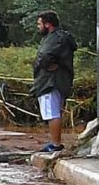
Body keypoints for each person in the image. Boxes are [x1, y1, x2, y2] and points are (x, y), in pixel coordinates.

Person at [31, 9, 78, 154]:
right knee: (53, 112)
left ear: (47, 24)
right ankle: (55, 142)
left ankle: (55, 144)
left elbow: (45, 55)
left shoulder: (54, 39)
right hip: (58, 80)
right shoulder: (60, 38)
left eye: (39, 24)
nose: (37, 26)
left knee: (51, 113)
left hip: (50, 81)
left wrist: (42, 64)